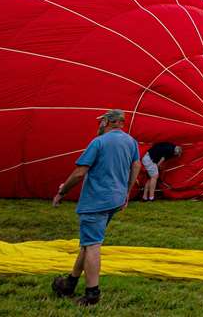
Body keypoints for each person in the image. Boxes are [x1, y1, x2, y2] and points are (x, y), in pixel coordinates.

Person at [52, 110, 141, 307]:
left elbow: (79, 172)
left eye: (101, 121)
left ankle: (92, 294)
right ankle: (70, 283)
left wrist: (62, 191)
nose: (99, 124)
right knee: (89, 241)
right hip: (115, 199)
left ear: (109, 121)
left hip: (96, 200)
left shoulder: (98, 142)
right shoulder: (131, 142)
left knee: (92, 245)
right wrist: (126, 191)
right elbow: (136, 165)